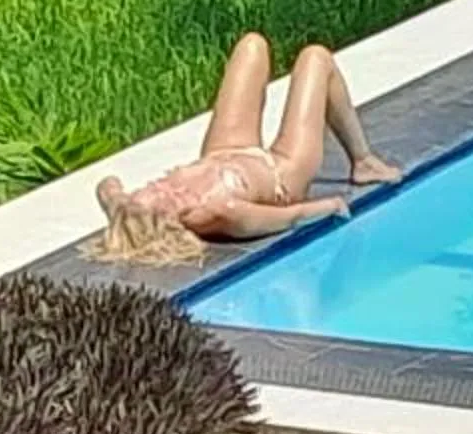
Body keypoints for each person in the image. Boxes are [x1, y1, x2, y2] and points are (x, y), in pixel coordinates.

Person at [92, 33, 401, 265]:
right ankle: (363, 161)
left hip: (225, 149)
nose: (163, 188)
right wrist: (328, 207)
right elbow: (288, 218)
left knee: (251, 45)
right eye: (167, 200)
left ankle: (362, 160)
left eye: (156, 187)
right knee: (316, 59)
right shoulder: (222, 212)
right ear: (172, 223)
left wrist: (120, 206)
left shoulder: (135, 207)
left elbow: (107, 186)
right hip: (281, 173)